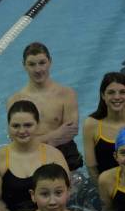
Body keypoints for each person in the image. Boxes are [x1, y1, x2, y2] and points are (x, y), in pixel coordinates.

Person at [0, 100, 69, 211]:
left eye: (28, 125)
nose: (22, 131)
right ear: (8, 126)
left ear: (38, 125)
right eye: (16, 126)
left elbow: (67, 190)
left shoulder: (54, 155)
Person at [7, 42, 83, 171]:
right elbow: (15, 140)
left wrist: (33, 141)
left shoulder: (66, 94)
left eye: (42, 63)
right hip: (32, 158)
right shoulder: (15, 100)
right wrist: (55, 136)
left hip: (65, 155)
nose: (38, 70)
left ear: (50, 62)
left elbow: (70, 133)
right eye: (32, 64)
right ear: (24, 65)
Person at [81, 72, 125, 180]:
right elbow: (92, 167)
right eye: (111, 92)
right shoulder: (91, 124)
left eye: (122, 92)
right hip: (104, 184)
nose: (117, 97)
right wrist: (103, 189)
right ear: (103, 95)